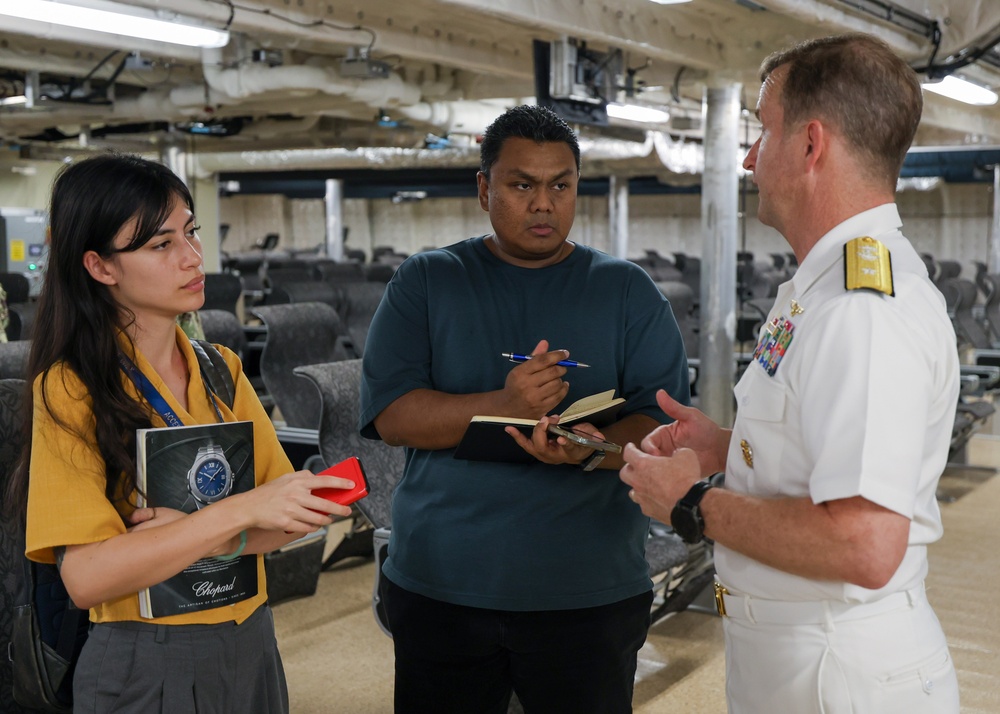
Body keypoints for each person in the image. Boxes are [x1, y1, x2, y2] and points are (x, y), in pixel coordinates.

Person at [619, 33, 960, 714]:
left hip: (838, 677)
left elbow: (864, 544)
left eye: (761, 130)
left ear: (810, 146)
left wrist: (692, 502)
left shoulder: (862, 311)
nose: (747, 156)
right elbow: (818, 455)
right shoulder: (823, 288)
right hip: (799, 662)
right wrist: (726, 449)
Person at [359, 104, 690, 713]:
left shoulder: (627, 292)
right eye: (522, 185)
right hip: (445, 584)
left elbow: (660, 421)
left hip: (587, 588)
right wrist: (502, 403)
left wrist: (590, 450)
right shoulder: (428, 281)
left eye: (560, 185)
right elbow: (393, 416)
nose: (544, 203)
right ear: (485, 188)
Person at [6, 152, 355, 714]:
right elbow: (87, 577)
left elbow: (282, 519)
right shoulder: (72, 389)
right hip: (148, 657)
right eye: (161, 244)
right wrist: (235, 514)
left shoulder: (220, 368)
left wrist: (220, 531)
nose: (193, 257)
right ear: (100, 266)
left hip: (251, 637)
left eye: (190, 233)